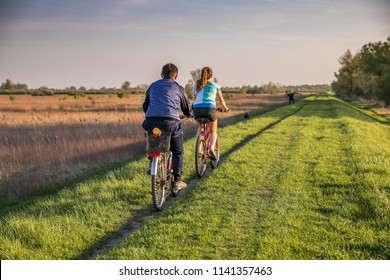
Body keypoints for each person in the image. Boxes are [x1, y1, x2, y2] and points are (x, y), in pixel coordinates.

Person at [142, 63, 192, 191]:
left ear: (161, 74)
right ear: (176, 76)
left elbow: (145, 105)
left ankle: (153, 160)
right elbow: (186, 108)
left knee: (154, 136)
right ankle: (177, 181)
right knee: (177, 151)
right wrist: (188, 115)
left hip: (151, 121)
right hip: (171, 122)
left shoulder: (152, 86)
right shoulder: (179, 88)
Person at [192, 67, 229, 160]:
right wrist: (226, 109)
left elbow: (196, 99)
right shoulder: (215, 86)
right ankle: (212, 148)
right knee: (213, 131)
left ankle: (199, 149)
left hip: (196, 109)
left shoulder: (196, 86)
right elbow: (221, 101)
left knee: (201, 128)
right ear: (211, 76)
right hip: (209, 109)